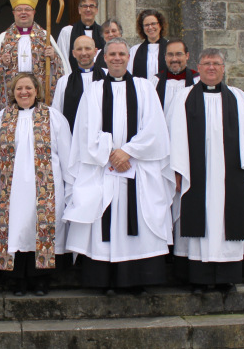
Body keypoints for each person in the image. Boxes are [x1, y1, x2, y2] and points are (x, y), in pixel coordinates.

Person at [64, 37, 175, 294]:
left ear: (128, 58)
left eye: (121, 54)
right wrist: (111, 154)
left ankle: (136, 280)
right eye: (112, 54)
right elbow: (85, 130)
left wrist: (128, 152)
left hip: (138, 168)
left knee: (138, 219)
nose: (116, 58)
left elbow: (155, 128)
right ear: (104, 58)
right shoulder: (93, 90)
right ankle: (106, 280)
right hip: (103, 168)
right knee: (104, 219)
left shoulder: (145, 88)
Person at [168, 48, 244, 294]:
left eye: (216, 63)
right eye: (207, 63)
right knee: (199, 223)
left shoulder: (238, 97)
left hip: (229, 175)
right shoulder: (184, 96)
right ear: (198, 68)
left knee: (224, 224)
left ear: (223, 68)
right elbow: (175, 134)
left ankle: (226, 278)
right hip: (194, 173)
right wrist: (177, 171)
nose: (211, 68)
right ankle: (198, 279)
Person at [0, 73, 73, 296]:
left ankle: (41, 280)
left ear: (37, 91)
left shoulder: (53, 118)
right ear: (13, 92)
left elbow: (67, 155)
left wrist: (71, 187)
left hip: (46, 187)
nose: (24, 92)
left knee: (41, 230)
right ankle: (16, 280)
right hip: (10, 188)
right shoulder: (0, 118)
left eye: (28, 88)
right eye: (19, 88)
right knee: (15, 230)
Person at [0, 0, 70, 111]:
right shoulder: (3, 38)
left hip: (39, 98)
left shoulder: (45, 37)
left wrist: (53, 57)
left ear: (34, 12)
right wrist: (1, 62)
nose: (23, 12)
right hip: (13, 98)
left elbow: (61, 68)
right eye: (19, 9)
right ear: (13, 13)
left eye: (27, 9)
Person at [51, 35, 106, 132]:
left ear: (95, 51)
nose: (84, 53)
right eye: (79, 49)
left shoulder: (107, 76)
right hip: (74, 139)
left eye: (88, 48)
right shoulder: (64, 81)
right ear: (73, 53)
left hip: (103, 136)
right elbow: (57, 115)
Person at [148, 39, 199, 114]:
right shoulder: (155, 82)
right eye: (170, 54)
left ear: (187, 56)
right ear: (165, 57)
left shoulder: (197, 81)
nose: (174, 59)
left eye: (178, 54)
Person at [56, 0, 105, 72]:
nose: (88, 9)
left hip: (99, 79)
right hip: (74, 78)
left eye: (91, 6)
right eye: (85, 6)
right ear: (79, 10)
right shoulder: (67, 32)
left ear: (97, 10)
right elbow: (62, 59)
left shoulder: (103, 33)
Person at [127, 9, 168, 78]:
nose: (150, 27)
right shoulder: (134, 51)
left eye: (153, 24)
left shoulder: (170, 48)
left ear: (160, 25)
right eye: (146, 25)